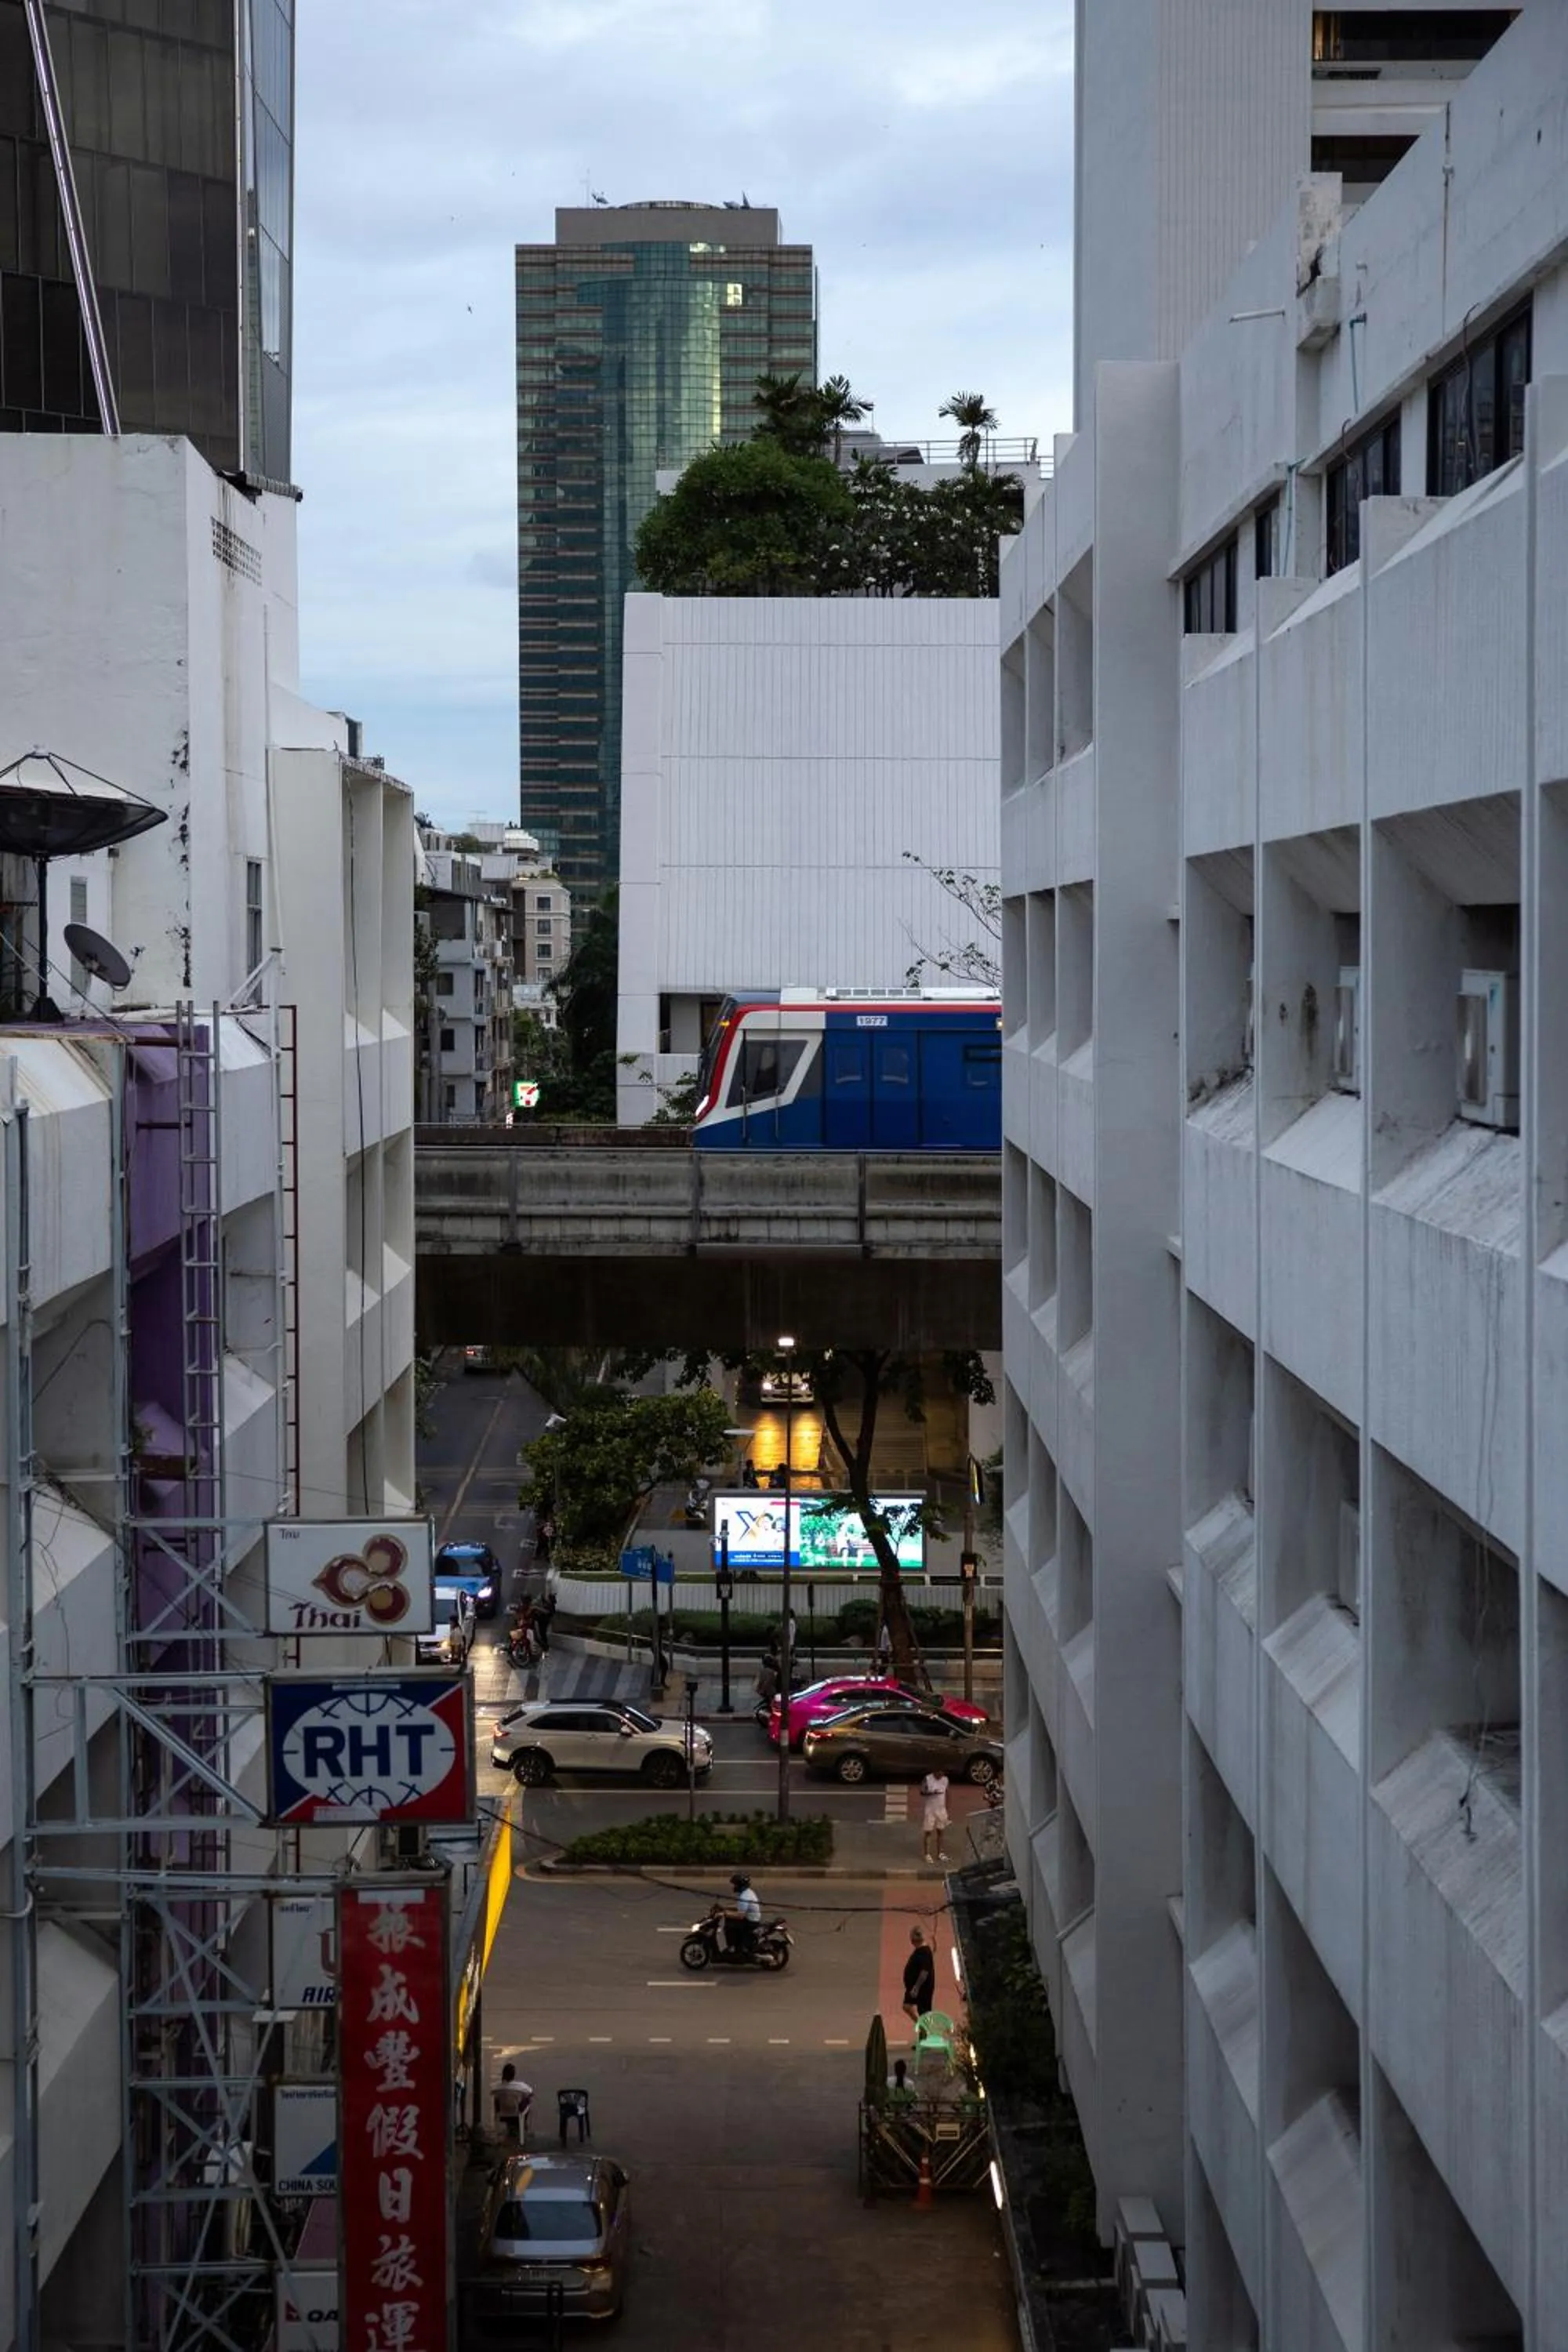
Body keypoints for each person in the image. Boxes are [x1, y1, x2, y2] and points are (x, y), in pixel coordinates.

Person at [723, 1870, 761, 1958]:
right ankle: (736, 1945)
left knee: (729, 1926)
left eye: (735, 1884)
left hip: (750, 1922)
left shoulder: (745, 1896)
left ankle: (732, 1948)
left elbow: (740, 1916)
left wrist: (725, 1913)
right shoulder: (747, 1892)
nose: (734, 1887)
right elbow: (740, 1907)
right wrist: (725, 1908)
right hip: (750, 1918)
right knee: (729, 1919)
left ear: (740, 1885)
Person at [902, 1926, 936, 2022]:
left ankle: (926, 2029)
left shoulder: (924, 1952)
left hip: (922, 1988)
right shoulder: (922, 1950)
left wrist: (916, 1987)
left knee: (924, 2012)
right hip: (914, 1987)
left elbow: (924, 1972)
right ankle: (920, 2025)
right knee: (907, 2006)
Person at [492, 2061, 532, 2142]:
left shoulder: (498, 2087)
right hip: (517, 2112)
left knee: (497, 2100)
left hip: (502, 2112)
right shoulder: (520, 2086)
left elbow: (493, 2094)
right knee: (527, 2100)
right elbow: (530, 2092)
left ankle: (510, 2126)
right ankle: (523, 2124)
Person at [920, 1766, 951, 1865]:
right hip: (930, 1810)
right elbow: (922, 1791)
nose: (941, 1775)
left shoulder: (945, 1780)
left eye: (943, 1773)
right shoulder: (928, 1779)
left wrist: (948, 1809)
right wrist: (931, 1793)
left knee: (941, 1831)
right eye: (939, 1773)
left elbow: (948, 1793)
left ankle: (940, 1853)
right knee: (928, 1832)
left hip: (941, 1810)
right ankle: (927, 1854)